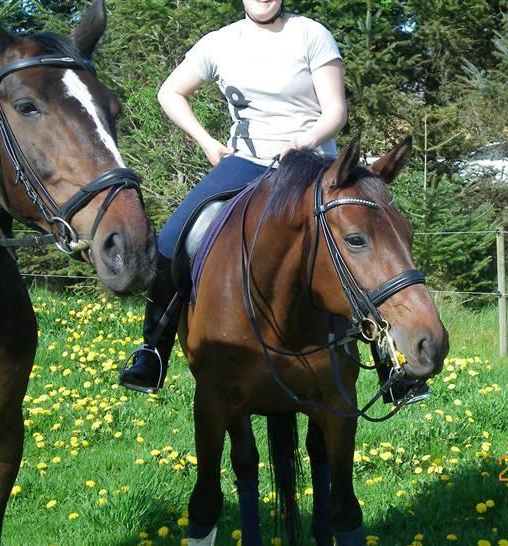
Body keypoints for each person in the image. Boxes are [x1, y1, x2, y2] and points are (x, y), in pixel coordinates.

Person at [119, 0, 347, 394]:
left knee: (366, 239)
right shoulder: (218, 44)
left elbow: (336, 109)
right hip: (246, 162)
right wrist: (207, 141)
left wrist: (307, 140)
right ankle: (153, 352)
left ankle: (391, 362)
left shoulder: (311, 34)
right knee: (172, 242)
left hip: (311, 161)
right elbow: (170, 92)